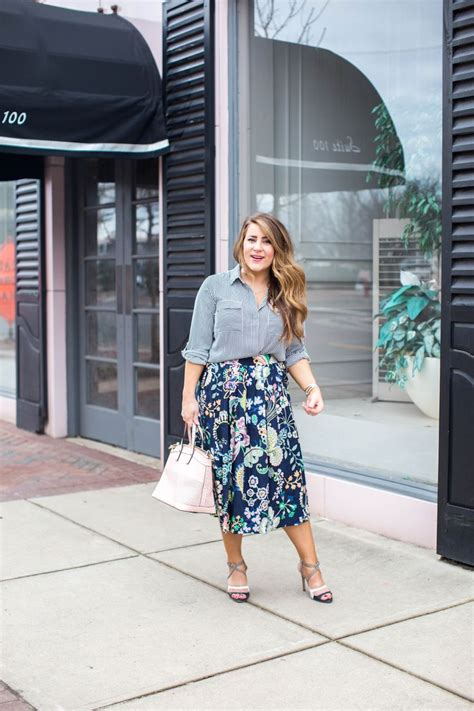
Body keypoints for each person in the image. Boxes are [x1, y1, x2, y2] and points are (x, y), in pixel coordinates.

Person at [180, 212, 333, 605]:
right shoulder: (215, 288)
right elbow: (197, 349)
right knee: (230, 488)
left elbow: (295, 350)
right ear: (240, 244)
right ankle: (236, 565)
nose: (257, 248)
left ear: (276, 248)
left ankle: (310, 566)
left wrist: (311, 388)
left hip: (270, 402)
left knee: (287, 481)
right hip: (224, 402)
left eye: (266, 241)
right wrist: (188, 399)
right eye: (251, 239)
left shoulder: (288, 292)